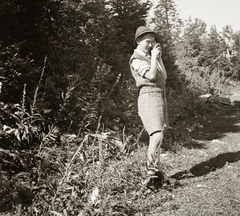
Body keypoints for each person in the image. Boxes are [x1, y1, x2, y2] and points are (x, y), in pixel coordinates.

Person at [129, 26, 169, 180]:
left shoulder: (150, 56)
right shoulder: (136, 58)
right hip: (148, 97)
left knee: (159, 135)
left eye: (153, 41)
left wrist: (158, 58)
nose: (151, 44)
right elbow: (151, 76)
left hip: (159, 96)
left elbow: (163, 76)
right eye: (148, 41)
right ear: (138, 41)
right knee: (157, 135)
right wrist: (153, 57)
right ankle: (150, 173)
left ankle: (156, 171)